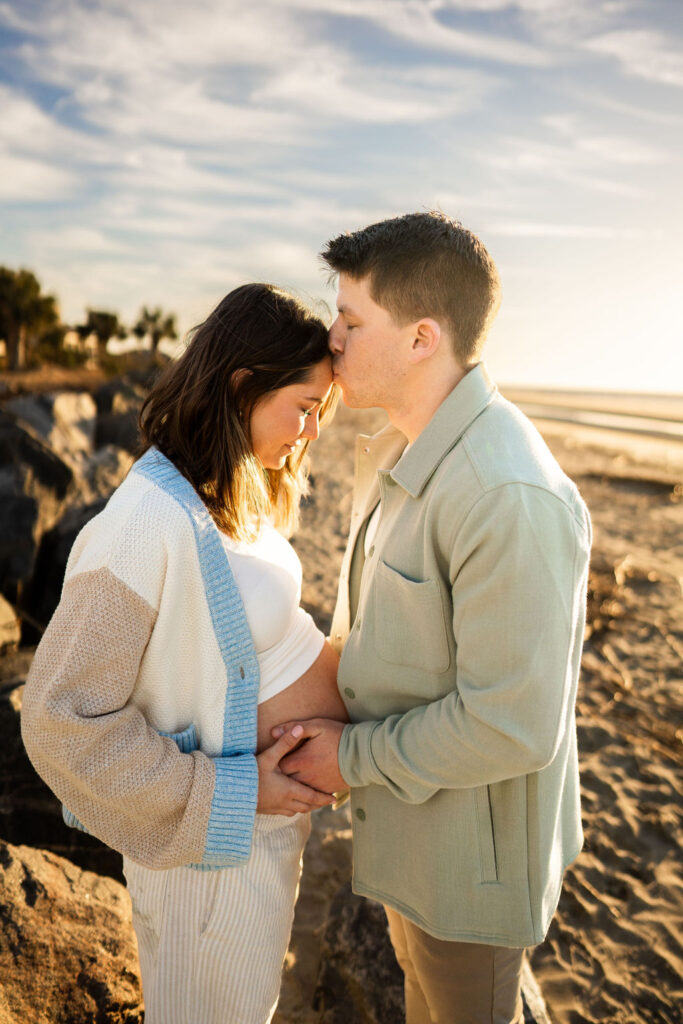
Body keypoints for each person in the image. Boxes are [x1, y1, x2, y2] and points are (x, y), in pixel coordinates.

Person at [272, 212, 592, 1024]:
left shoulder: (504, 495)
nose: (330, 338)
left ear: (420, 339)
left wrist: (352, 757)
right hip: (413, 843)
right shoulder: (396, 450)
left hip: (470, 875)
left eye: (351, 321)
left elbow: (513, 724)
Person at [20, 282, 348, 1024]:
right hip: (211, 871)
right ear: (242, 386)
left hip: (251, 852)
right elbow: (55, 721)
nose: (311, 430)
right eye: (303, 406)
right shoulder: (145, 521)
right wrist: (236, 793)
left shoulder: (227, 494)